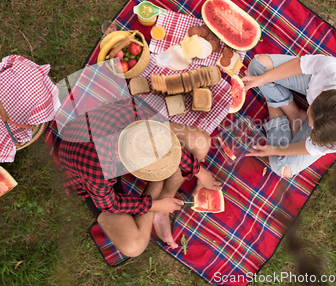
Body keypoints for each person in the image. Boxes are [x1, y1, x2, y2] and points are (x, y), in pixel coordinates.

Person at [58, 99, 221, 257]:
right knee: (133, 247)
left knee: (200, 143)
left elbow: (164, 143)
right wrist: (155, 204)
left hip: (106, 132)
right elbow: (111, 204)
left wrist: (200, 172)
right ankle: (159, 204)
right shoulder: (98, 173)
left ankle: (164, 200)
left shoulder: (137, 117)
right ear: (132, 168)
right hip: (83, 167)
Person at [241, 54, 336, 178]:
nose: (309, 125)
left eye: (311, 126)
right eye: (310, 116)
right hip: (315, 80)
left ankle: (277, 108)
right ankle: (293, 114)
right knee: (257, 67)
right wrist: (262, 79)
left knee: (281, 167)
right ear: (319, 95)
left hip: (326, 128)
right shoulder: (332, 71)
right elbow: (301, 64)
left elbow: (309, 147)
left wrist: (276, 150)